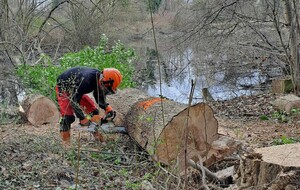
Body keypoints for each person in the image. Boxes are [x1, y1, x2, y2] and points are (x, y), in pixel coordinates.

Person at [55, 66, 122, 145]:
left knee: (94, 112)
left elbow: (98, 95)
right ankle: (66, 143)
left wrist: (106, 107)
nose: (105, 90)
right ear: (102, 80)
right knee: (68, 116)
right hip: (64, 88)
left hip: (77, 91)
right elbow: (73, 100)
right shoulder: (86, 80)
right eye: (106, 88)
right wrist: (82, 117)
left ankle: (98, 137)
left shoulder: (98, 79)